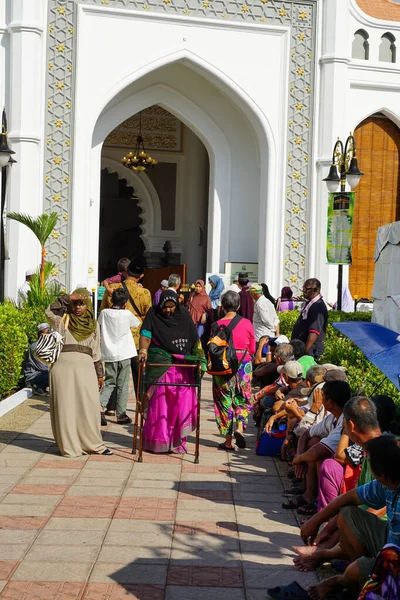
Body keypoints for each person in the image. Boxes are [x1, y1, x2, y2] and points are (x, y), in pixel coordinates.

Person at [300, 435, 400, 600]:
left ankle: (343, 582)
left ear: (381, 475)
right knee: (347, 514)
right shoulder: (389, 482)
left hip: (395, 562)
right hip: (390, 546)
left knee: (355, 570)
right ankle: (357, 580)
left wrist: (347, 574)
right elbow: (349, 498)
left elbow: (340, 455)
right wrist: (315, 521)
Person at [45, 288, 112, 457]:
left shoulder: (94, 324)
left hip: (86, 368)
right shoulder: (62, 320)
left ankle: (93, 444)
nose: (77, 307)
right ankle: (69, 446)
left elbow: (96, 352)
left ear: (88, 305)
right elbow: (49, 311)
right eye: (74, 304)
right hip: (62, 369)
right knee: (66, 407)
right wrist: (67, 298)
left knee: (88, 406)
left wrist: (100, 374)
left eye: (81, 304)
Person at [138, 290, 205, 454]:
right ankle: (158, 441)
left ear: (176, 304)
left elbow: (195, 341)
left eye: (171, 306)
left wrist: (200, 360)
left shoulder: (184, 316)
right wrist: (143, 351)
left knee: (180, 406)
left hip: (183, 369)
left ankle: (177, 442)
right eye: (165, 307)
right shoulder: (154, 314)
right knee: (161, 405)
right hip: (161, 366)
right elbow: (146, 334)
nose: (168, 310)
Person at [285, 379, 351, 515]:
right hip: (330, 457)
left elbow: (318, 452)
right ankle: (309, 493)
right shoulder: (333, 417)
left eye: (323, 397)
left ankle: (322, 506)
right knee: (313, 441)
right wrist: (300, 456)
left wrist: (299, 458)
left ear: (330, 403)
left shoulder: (346, 420)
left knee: (323, 458)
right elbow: (306, 433)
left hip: (347, 469)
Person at [211, 291, 255, 451]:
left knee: (224, 402)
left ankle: (228, 441)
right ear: (238, 306)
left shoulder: (216, 325)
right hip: (244, 365)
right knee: (242, 398)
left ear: (222, 306)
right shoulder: (247, 323)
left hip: (223, 366)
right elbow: (252, 348)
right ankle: (240, 428)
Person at [100, 257, 151, 392]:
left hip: (115, 338)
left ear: (125, 272)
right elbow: (148, 316)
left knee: (113, 376)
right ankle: (141, 405)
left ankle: (111, 407)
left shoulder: (112, 289)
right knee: (138, 374)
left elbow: (102, 310)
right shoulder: (145, 293)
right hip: (136, 340)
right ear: (140, 276)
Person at [99, 288, 140, 426]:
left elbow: (99, 325)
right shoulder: (127, 314)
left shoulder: (104, 313)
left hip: (109, 353)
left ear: (112, 300)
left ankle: (99, 406)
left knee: (110, 382)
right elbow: (137, 323)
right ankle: (121, 414)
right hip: (125, 353)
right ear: (126, 302)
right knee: (122, 384)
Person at [291, 278, 328, 358]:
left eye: (306, 289)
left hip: (311, 352)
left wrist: (305, 352)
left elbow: (314, 332)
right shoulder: (310, 304)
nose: (303, 291)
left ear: (315, 290)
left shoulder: (317, 306)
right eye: (303, 288)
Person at [24, 323, 51, 395]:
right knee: (53, 375)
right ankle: (37, 387)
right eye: (46, 331)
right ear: (40, 333)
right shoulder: (36, 347)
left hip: (41, 374)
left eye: (49, 331)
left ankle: (41, 387)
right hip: (33, 377)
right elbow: (42, 366)